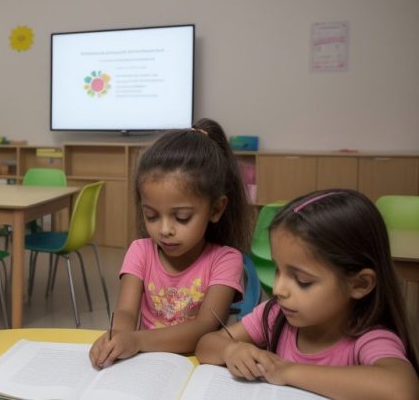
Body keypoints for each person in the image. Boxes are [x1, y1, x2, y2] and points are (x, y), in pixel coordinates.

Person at [196, 189, 419, 399]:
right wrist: (230, 350)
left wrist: (287, 372)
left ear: (360, 284)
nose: (278, 290)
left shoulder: (367, 336)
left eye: (302, 281)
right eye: (277, 270)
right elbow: (206, 344)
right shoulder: (276, 315)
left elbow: (401, 388)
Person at [89, 118, 252, 368]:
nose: (164, 230)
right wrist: (117, 337)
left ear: (216, 209)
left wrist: (136, 340)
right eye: (151, 216)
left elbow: (203, 329)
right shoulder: (140, 251)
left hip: (197, 366)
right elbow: (125, 313)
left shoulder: (226, 260)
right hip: (146, 364)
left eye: (182, 217)